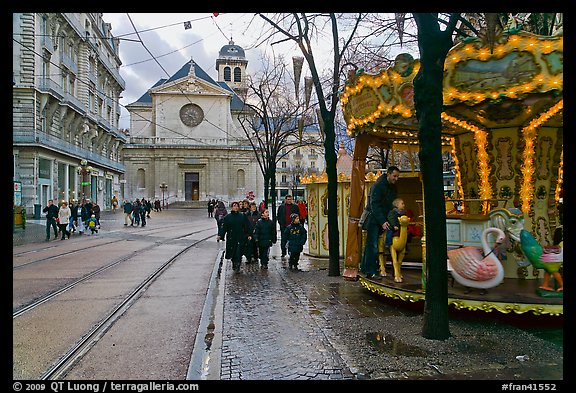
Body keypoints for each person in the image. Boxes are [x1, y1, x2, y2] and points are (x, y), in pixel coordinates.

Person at [360, 166, 400, 279]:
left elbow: (391, 204)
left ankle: (365, 267)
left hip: (381, 217)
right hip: (374, 218)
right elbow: (375, 205)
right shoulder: (378, 186)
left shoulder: (392, 187)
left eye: (397, 177)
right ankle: (371, 271)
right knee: (372, 244)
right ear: (388, 174)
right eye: (394, 176)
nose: (396, 178)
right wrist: (382, 221)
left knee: (372, 244)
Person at [217, 201, 252, 273]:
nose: (236, 207)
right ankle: (234, 263)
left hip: (240, 237)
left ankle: (238, 265)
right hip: (231, 237)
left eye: (237, 206)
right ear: (232, 207)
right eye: (234, 206)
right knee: (233, 252)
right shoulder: (227, 217)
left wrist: (249, 234)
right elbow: (224, 227)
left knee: (239, 252)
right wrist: (220, 235)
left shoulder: (242, 216)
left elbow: (247, 226)